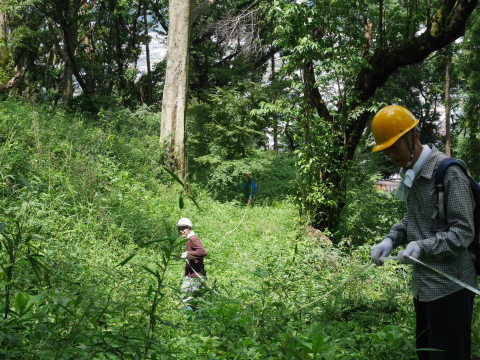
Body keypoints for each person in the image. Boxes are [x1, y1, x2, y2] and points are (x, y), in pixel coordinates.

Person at [370, 105, 477, 360]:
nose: (391, 154)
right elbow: (413, 218)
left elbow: (463, 232)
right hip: (424, 287)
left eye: (395, 145)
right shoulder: (409, 171)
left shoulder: (449, 173)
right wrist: (391, 239)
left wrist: (423, 246)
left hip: (451, 288)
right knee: (427, 354)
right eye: (386, 150)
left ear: (414, 136)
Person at [177, 217, 208, 307]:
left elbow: (203, 252)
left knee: (185, 300)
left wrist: (188, 253)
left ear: (189, 229)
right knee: (197, 301)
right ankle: (198, 319)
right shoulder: (189, 238)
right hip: (195, 275)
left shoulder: (193, 238)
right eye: (179, 229)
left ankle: (187, 319)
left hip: (193, 277)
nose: (181, 231)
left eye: (183, 229)